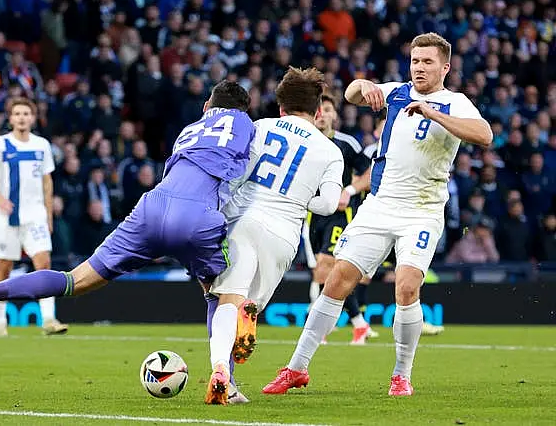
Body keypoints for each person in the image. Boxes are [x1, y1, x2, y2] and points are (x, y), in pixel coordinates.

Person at [262, 32, 492, 397]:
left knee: (406, 286)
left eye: (427, 62)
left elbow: (484, 135)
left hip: (422, 211)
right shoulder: (398, 91)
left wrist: (433, 114)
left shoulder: (454, 102)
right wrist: (364, 85)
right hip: (380, 204)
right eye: (415, 60)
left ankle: (401, 374)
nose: (419, 67)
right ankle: (296, 368)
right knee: (337, 278)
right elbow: (353, 92)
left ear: (445, 67)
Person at [0, 81, 254, 340]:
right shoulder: (246, 124)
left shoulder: (189, 130)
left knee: (72, 280)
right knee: (219, 294)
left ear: (206, 106)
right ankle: (224, 376)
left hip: (151, 207)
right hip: (196, 216)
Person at [204, 67, 344, 405]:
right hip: (283, 233)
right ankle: (247, 317)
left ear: (281, 106)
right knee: (247, 304)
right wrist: (298, 195)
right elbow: (327, 206)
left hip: (243, 219)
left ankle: (220, 367)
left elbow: (232, 173)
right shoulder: (330, 151)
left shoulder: (258, 128)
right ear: (317, 111)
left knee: (226, 298)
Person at [0, 97, 68, 336]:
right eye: (17, 113)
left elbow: (47, 182)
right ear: (10, 118)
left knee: (44, 263)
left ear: (33, 117)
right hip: (7, 215)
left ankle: (48, 320)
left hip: (35, 214)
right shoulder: (0, 144)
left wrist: (48, 214)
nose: (21, 117)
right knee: (4, 267)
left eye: (26, 113)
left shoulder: (42, 145)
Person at [303, 89, 376, 345]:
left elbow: (370, 171)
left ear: (335, 116)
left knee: (328, 265)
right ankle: (358, 324)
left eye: (328, 110)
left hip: (340, 215)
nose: (322, 115)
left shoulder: (347, 144)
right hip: (311, 216)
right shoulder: (305, 142)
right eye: (318, 111)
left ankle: (320, 326)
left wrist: (350, 190)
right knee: (321, 273)